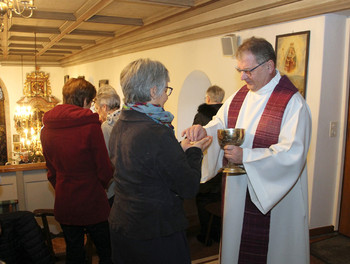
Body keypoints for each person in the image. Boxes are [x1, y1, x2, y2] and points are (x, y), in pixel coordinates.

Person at [183, 37, 312, 264]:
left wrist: (247, 157)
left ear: (269, 66)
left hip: (274, 196)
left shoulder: (293, 103)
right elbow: (219, 124)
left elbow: (292, 154)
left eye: (247, 70)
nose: (242, 77)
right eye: (239, 70)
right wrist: (204, 131)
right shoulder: (239, 97)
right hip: (237, 192)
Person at [108, 58, 212, 264]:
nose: (167, 94)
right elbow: (188, 187)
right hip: (154, 231)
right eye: (166, 88)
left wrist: (179, 147)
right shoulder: (155, 130)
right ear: (153, 91)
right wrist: (195, 151)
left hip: (124, 223)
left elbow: (144, 163)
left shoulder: (121, 122)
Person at [40, 78, 113, 264]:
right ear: (84, 101)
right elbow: (104, 168)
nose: (91, 108)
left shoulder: (46, 128)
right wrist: (101, 185)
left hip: (66, 198)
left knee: (74, 251)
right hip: (92, 198)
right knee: (106, 251)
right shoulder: (90, 125)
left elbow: (51, 171)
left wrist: (63, 185)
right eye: (91, 103)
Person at [193, 85, 225, 245]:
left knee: (203, 201)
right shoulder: (227, 114)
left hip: (205, 163)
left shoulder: (201, 116)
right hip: (223, 165)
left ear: (207, 98)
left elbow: (195, 141)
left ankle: (206, 235)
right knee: (219, 201)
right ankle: (218, 234)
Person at [94, 84, 121, 206]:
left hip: (115, 187)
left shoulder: (107, 125)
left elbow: (106, 160)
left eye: (97, 109)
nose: (97, 113)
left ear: (104, 107)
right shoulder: (128, 118)